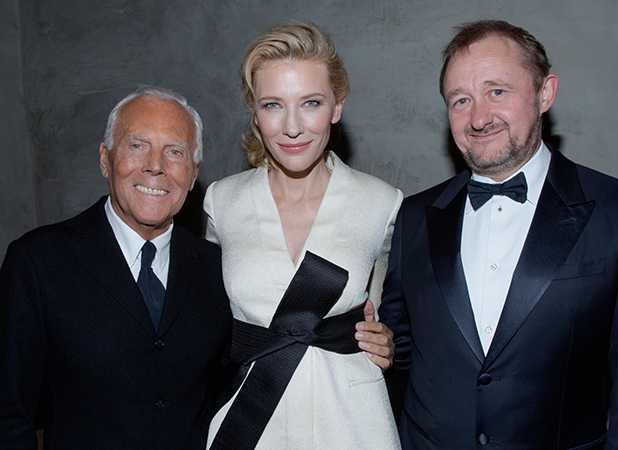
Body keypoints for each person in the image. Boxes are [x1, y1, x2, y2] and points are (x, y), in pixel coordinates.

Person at [380, 19, 618, 449]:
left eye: (497, 91)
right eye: (460, 100)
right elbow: (397, 359)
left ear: (545, 93)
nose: (479, 117)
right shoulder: (413, 216)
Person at [203, 22, 402, 449]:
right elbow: (203, 321)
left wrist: (387, 338)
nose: (292, 127)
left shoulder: (381, 203)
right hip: (249, 425)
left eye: (310, 103)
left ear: (337, 107)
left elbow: (390, 311)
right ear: (255, 112)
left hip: (354, 424)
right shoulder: (222, 202)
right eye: (273, 105)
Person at [0, 87, 232, 449]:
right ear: (105, 159)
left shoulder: (215, 266)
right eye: (137, 145)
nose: (156, 165)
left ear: (193, 172)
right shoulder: (38, 262)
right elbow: (8, 415)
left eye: (175, 151)